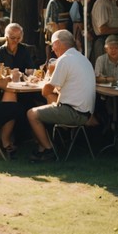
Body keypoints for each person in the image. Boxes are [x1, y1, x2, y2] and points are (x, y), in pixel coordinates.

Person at [27, 30, 96, 162]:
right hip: (86, 112)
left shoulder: (64, 60)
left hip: (75, 113)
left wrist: (48, 76)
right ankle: (42, 147)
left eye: (52, 45)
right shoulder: (82, 58)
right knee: (46, 106)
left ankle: (48, 150)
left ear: (58, 43)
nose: (52, 49)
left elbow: (46, 90)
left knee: (32, 113)